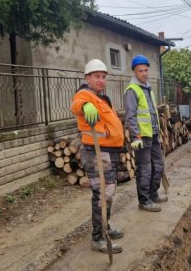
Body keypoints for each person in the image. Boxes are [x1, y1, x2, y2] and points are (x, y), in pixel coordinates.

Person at [70, 59, 124, 254]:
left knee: (108, 193)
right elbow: (76, 104)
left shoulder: (101, 97)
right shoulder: (85, 94)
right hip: (97, 152)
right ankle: (98, 238)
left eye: (103, 77)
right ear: (87, 78)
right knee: (103, 194)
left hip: (109, 151)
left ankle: (105, 227)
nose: (101, 80)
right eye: (97, 76)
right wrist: (85, 106)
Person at [124, 55, 167, 212]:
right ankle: (144, 201)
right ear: (134, 72)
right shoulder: (132, 90)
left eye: (146, 70)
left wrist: (159, 110)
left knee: (158, 165)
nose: (144, 73)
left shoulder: (148, 88)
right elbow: (130, 116)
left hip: (154, 133)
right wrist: (135, 136)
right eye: (140, 70)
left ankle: (153, 193)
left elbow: (148, 111)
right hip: (142, 137)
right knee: (145, 169)